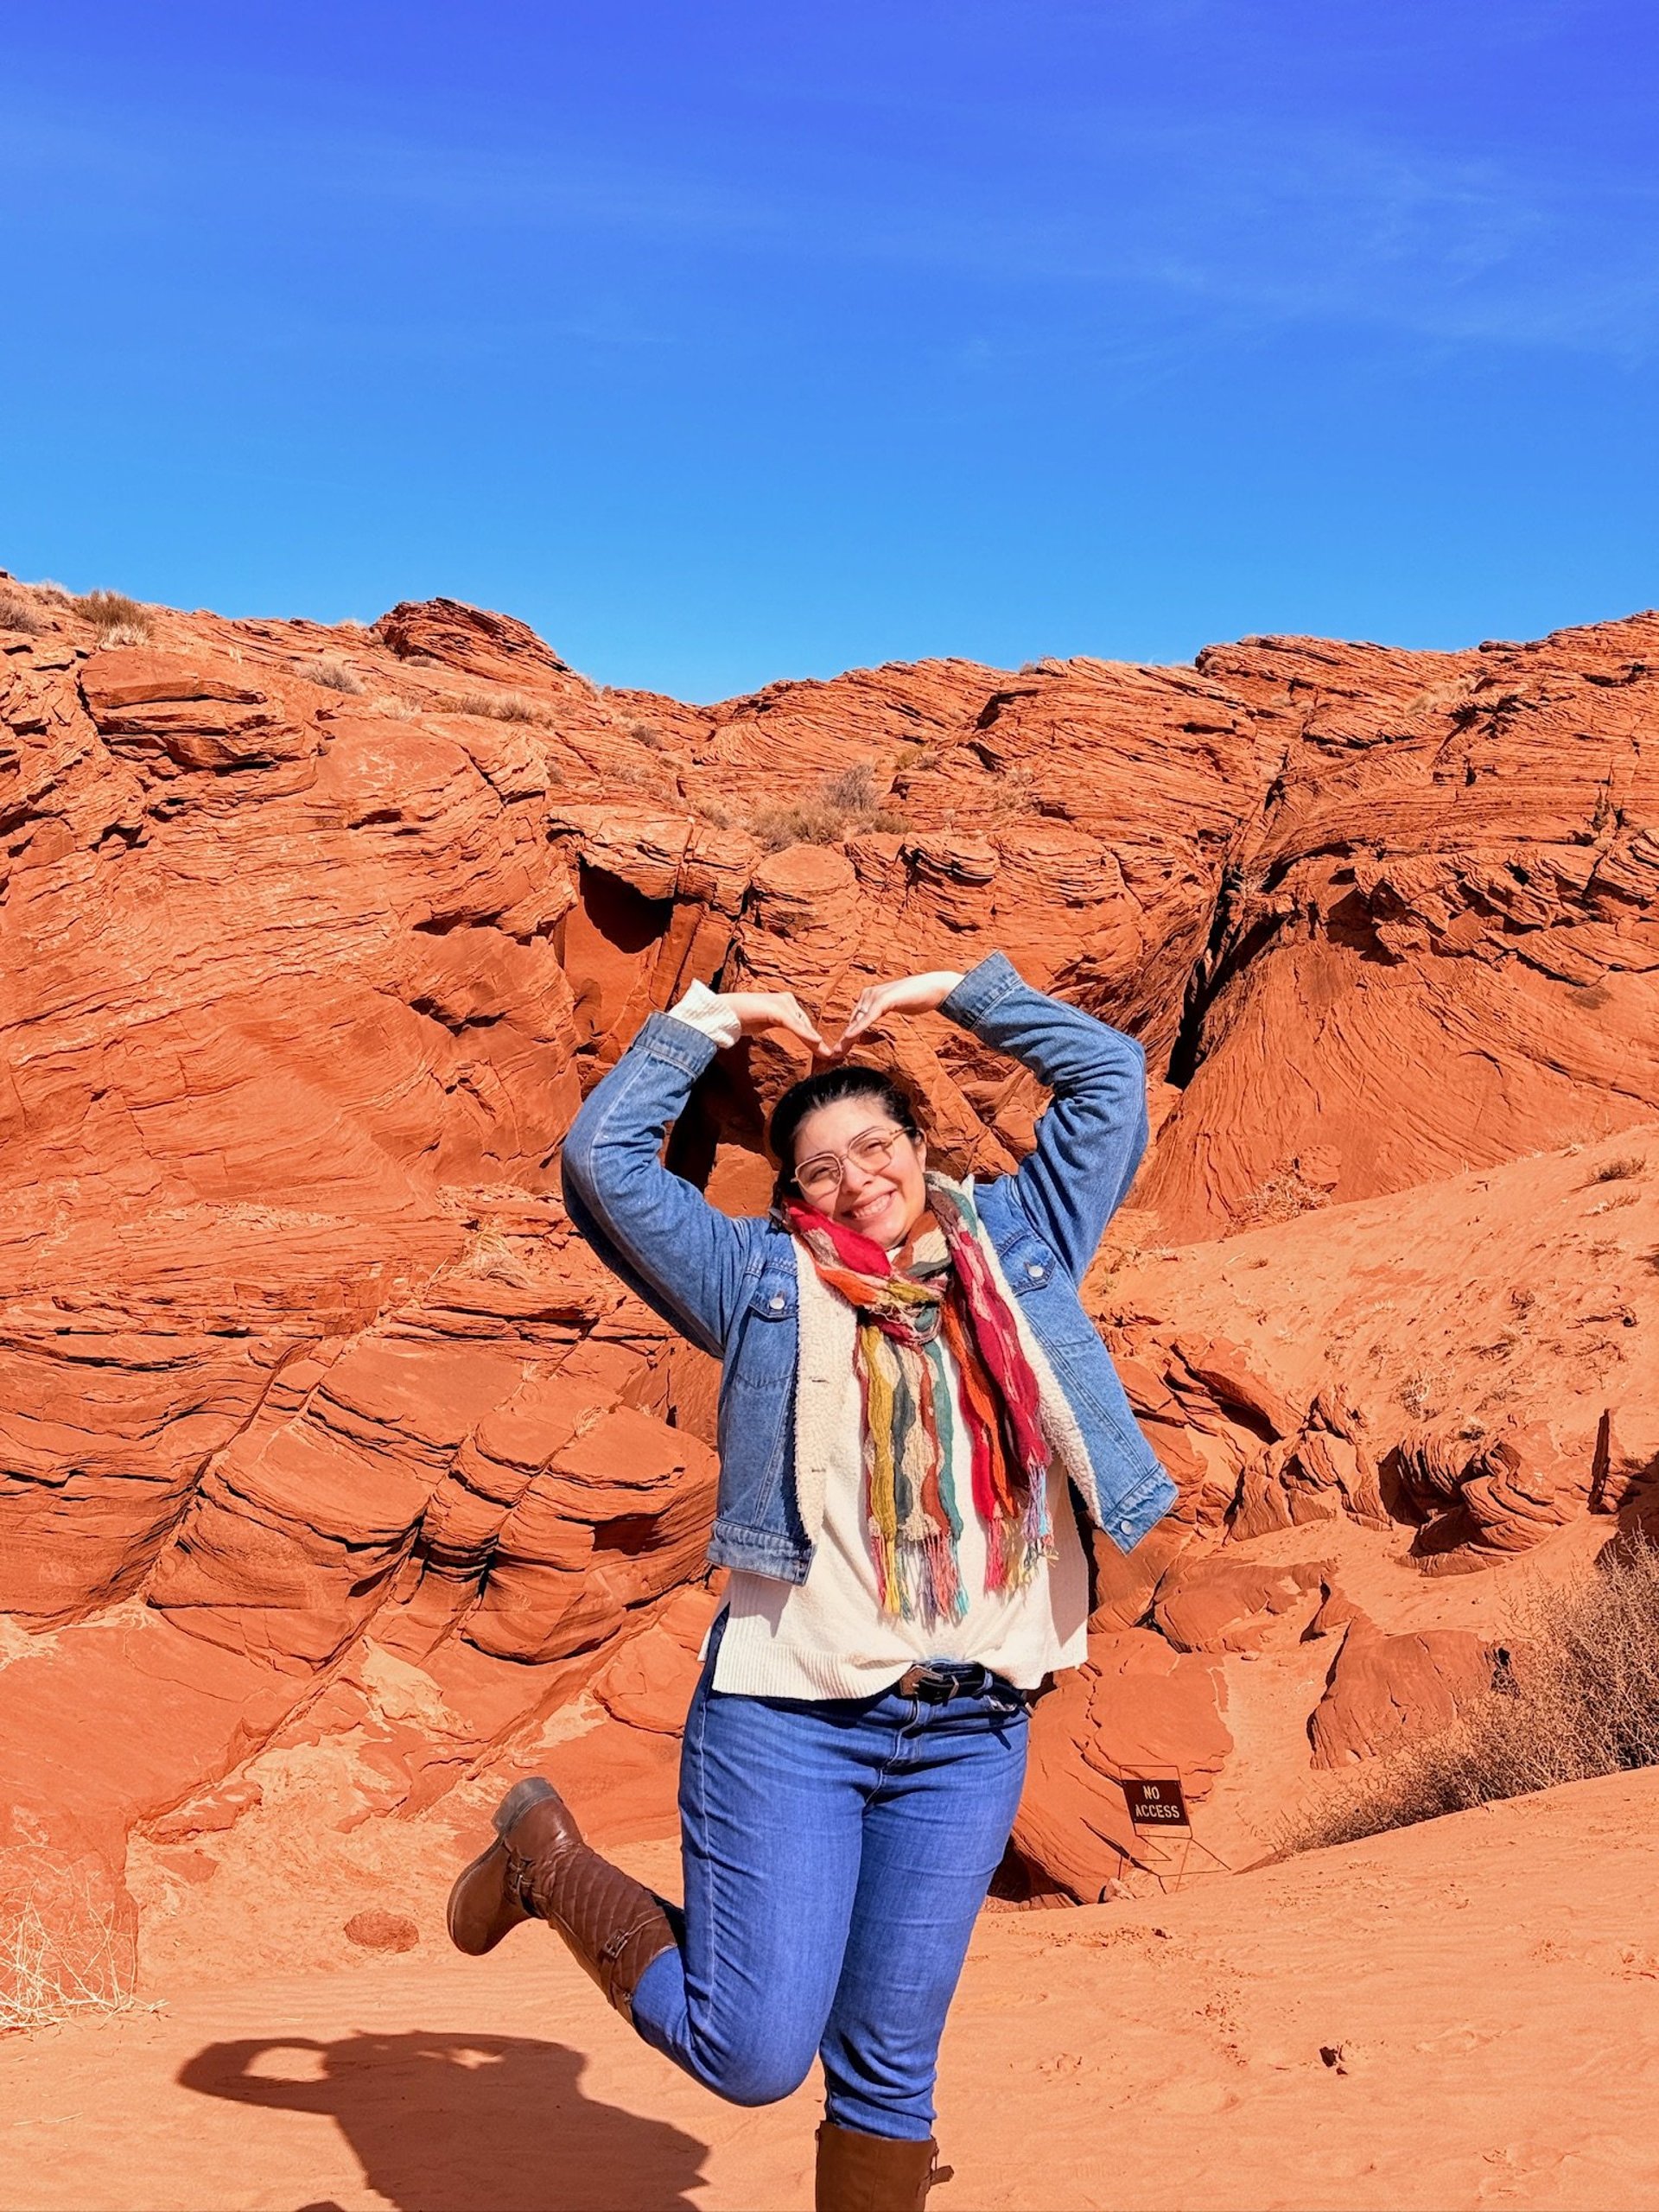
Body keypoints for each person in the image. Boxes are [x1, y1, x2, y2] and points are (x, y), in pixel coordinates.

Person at [447, 953, 1176, 2211]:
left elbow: (1108, 1078)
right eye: (823, 1166)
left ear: (918, 1143)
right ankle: (545, 1863)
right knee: (751, 2051)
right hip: (795, 1715)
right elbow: (602, 1168)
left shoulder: (1023, 1241)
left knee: (891, 2072)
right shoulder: (758, 1282)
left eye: (877, 1144)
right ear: (795, 1189)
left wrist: (964, 992)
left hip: (973, 1725)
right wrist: (702, 1027)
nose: (859, 1177)